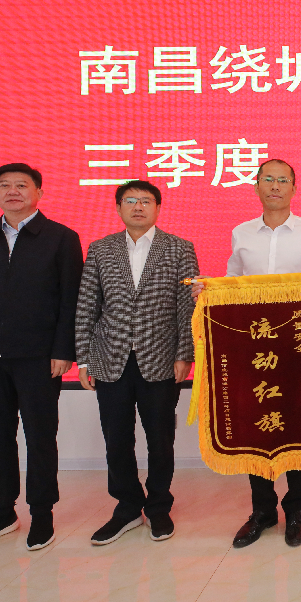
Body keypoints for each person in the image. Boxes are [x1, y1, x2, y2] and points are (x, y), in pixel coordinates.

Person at [194, 159, 301, 548]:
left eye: (283, 180)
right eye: (268, 179)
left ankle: (296, 509)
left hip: (297, 344)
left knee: (299, 419)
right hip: (252, 346)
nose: (275, 186)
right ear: (256, 186)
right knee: (256, 422)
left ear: (294, 188)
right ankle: (262, 510)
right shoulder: (241, 233)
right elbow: (233, 285)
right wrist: (208, 291)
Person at [0, 163, 83, 554]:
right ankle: (1, 513)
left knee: (40, 437)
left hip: (39, 357)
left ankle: (42, 513)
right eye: (4, 185)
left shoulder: (61, 238)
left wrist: (64, 350)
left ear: (39, 192)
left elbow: (71, 300)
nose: (13, 191)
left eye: (22, 185)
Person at [75, 180, 199, 545]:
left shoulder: (179, 248)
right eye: (130, 201)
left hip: (161, 359)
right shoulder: (100, 249)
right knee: (116, 439)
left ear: (158, 208)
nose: (138, 207)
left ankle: (158, 506)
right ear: (118, 208)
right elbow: (87, 305)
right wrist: (84, 358)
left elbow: (186, 307)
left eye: (146, 201)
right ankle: (127, 506)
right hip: (109, 357)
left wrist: (184, 354)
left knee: (160, 439)